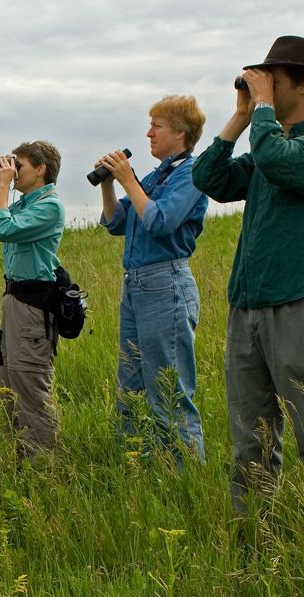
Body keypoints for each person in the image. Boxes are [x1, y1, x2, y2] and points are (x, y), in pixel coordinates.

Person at [192, 35, 304, 513]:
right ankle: (253, 531)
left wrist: (261, 112)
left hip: (299, 299)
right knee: (252, 434)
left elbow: (275, 161)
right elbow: (209, 178)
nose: (261, 87)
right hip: (249, 302)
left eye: (273, 80)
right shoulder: (267, 143)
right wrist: (242, 115)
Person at [96, 96, 209, 464]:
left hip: (166, 284)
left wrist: (128, 180)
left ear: (180, 132)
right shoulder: (155, 175)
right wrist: (109, 184)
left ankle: (184, 479)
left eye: (156, 126)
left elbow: (161, 221)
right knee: (130, 388)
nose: (149, 134)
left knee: (169, 390)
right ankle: (138, 469)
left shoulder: (190, 173)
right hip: (137, 286)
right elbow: (115, 223)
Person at [0, 140, 65, 458]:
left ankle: (42, 464)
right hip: (14, 302)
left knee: (30, 385)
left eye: (20, 166)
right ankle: (21, 460)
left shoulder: (49, 206)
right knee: (8, 384)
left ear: (41, 169)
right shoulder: (25, 204)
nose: (14, 172)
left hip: (33, 307)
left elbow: (0, 228)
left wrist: (4, 186)